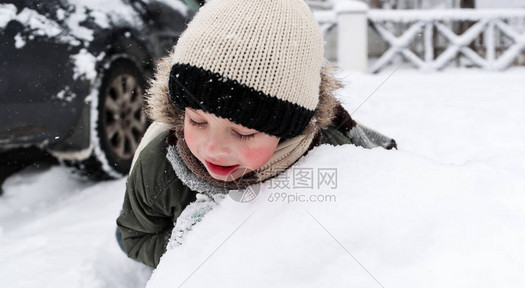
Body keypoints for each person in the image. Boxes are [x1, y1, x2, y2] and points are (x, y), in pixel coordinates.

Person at [116, 0, 396, 268]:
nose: (213, 148)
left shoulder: (329, 156)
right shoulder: (159, 164)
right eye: (197, 121)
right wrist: (191, 246)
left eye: (243, 132)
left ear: (288, 131)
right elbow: (136, 237)